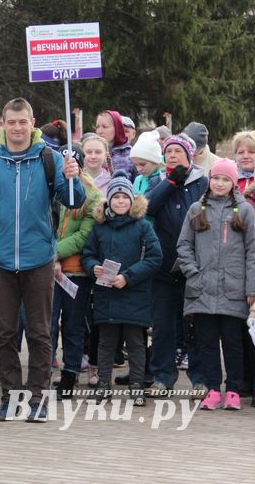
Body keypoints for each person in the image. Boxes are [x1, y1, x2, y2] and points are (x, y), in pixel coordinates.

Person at [0, 97, 84, 423]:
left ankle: (38, 398)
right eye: (11, 122)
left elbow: (73, 201)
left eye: (23, 122)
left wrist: (73, 176)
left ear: (32, 123)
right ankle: (10, 396)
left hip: (39, 259)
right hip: (0, 259)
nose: (17, 128)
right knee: (5, 333)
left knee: (40, 333)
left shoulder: (49, 159)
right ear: (3, 125)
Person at [176, 159, 255, 410]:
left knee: (233, 343)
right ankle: (212, 388)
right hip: (202, 289)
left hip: (234, 290)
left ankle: (233, 390)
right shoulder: (196, 209)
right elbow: (183, 245)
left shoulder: (245, 211)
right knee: (207, 343)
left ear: (233, 183)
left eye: (225, 179)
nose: (219, 183)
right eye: (216, 178)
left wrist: (251, 288)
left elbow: (253, 252)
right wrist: (193, 272)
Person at [81, 172, 162, 405]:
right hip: (106, 294)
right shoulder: (99, 228)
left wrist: (128, 277)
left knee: (135, 343)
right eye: (115, 197)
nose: (120, 201)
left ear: (132, 200)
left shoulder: (143, 227)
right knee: (106, 343)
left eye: (125, 197)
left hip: (134, 293)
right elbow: (88, 255)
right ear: (108, 200)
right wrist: (93, 267)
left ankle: (137, 386)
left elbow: (155, 257)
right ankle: (103, 385)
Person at [145, 135, 208, 395]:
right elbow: (149, 207)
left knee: (195, 325)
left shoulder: (202, 181)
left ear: (189, 156)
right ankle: (163, 376)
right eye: (168, 151)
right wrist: (171, 181)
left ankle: (200, 378)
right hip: (163, 266)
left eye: (177, 151)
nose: (172, 155)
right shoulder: (158, 181)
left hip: (194, 266)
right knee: (162, 325)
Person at [51, 144, 101, 399]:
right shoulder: (52, 191)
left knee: (73, 325)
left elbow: (84, 236)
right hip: (49, 271)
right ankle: (43, 371)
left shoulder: (92, 196)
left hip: (75, 272)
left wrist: (55, 254)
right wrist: (50, 257)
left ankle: (70, 374)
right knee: (47, 324)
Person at [95, 110, 136, 179]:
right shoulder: (92, 152)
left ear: (117, 129)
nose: (99, 131)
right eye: (97, 127)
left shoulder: (131, 155)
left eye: (104, 127)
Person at [129, 131, 165, 195]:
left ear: (155, 161)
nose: (138, 169)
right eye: (135, 165)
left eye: (142, 164)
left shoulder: (165, 179)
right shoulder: (138, 180)